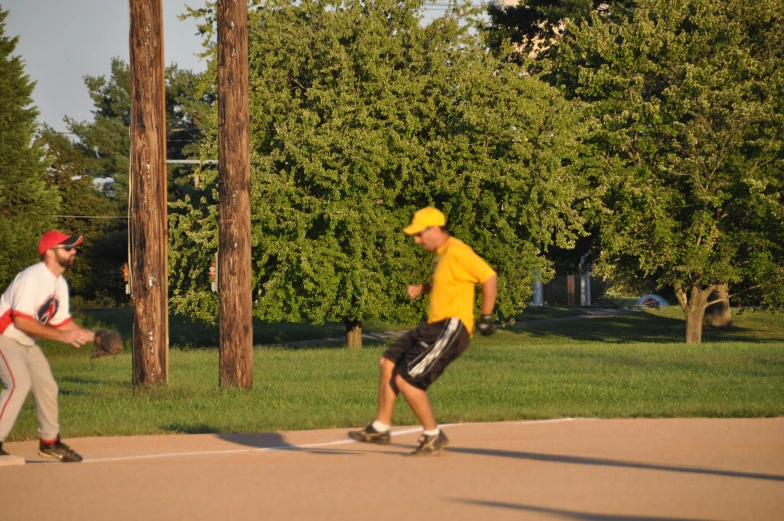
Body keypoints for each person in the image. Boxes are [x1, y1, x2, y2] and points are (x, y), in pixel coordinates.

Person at [349, 207, 498, 455]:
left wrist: (486, 316)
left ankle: (433, 435)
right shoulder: (441, 254)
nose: (417, 240)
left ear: (434, 229)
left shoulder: (459, 251)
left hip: (452, 327)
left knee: (406, 381)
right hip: (433, 326)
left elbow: (488, 276)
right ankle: (380, 428)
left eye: (419, 234)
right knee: (388, 363)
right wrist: (423, 287)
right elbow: (450, 283)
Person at [0, 230, 97, 463]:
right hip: (4, 335)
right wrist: (61, 337)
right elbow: (21, 320)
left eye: (74, 248)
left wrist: (96, 337)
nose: (74, 251)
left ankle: (49, 443)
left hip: (24, 340)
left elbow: (62, 323)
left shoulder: (60, 283)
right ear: (50, 253)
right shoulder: (32, 277)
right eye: (68, 248)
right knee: (18, 383)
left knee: (47, 387)